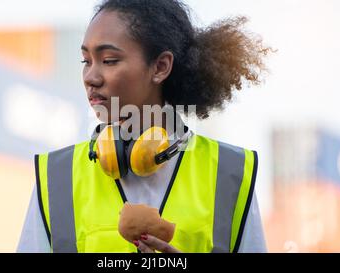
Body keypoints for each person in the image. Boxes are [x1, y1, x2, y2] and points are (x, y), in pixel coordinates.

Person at [17, 0, 272, 253]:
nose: (90, 78)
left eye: (108, 60)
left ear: (160, 67)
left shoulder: (230, 173)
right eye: (86, 61)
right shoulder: (57, 178)